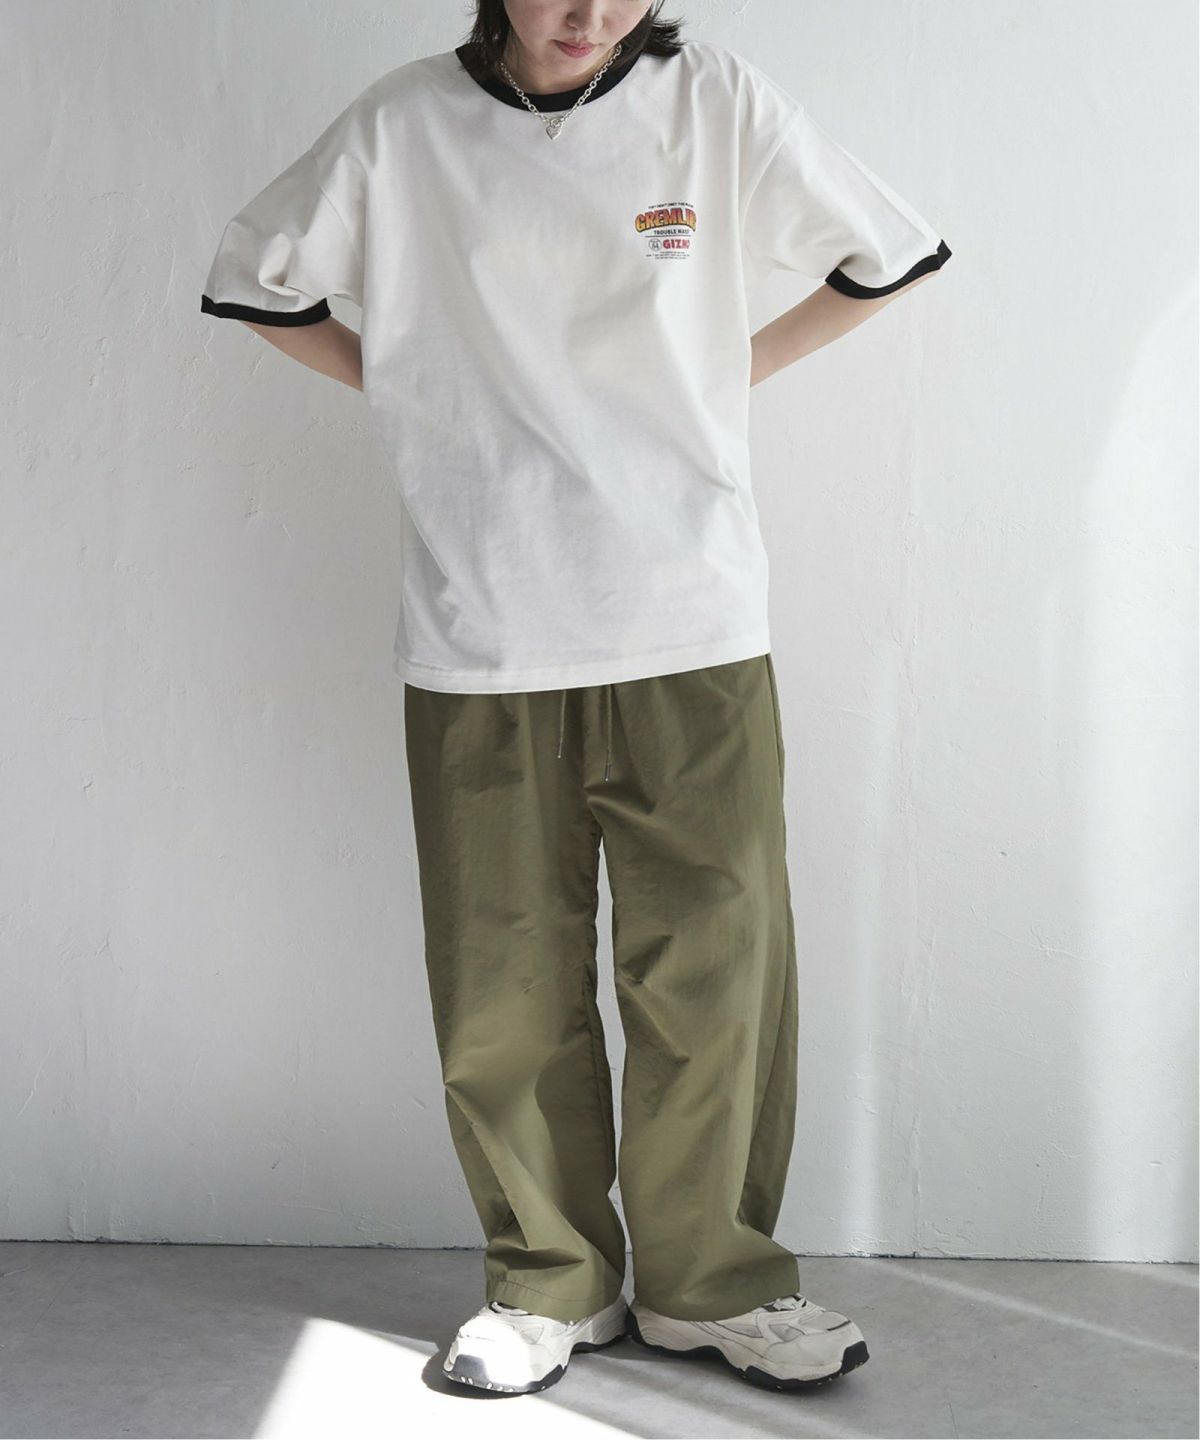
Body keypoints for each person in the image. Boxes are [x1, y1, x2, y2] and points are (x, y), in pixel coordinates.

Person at [200, 0, 951, 1399]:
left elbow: (884, 254)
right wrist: (415, 390)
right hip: (486, 626)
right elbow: (259, 278)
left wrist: (720, 377)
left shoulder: (712, 101)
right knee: (505, 978)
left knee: (718, 966)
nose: (590, 15)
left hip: (692, 617)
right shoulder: (403, 127)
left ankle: (713, 1283)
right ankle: (548, 1283)